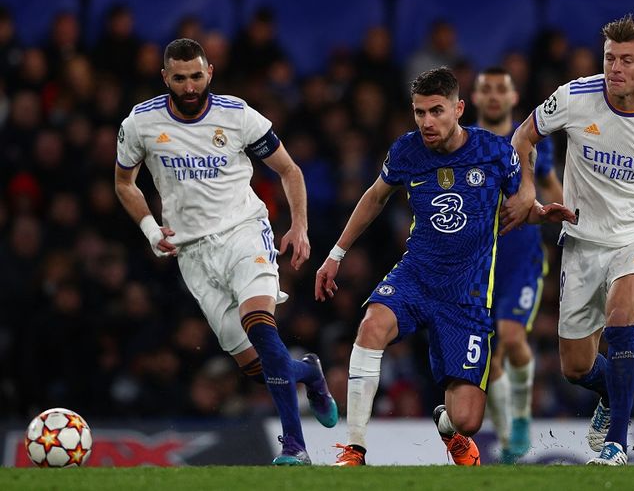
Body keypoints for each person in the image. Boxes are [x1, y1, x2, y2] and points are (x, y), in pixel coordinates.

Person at [314, 66, 574, 466]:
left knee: (468, 420)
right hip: (416, 275)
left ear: (458, 108)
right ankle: (355, 448)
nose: (426, 122)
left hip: (466, 295)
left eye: (436, 111)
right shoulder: (406, 151)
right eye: (419, 113)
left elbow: (520, 208)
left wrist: (542, 212)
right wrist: (336, 254)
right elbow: (374, 197)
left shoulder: (493, 152)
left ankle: (448, 427)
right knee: (371, 326)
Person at [114, 38, 338, 465]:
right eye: (180, 78)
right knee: (258, 370)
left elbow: (289, 169)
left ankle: (294, 447)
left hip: (244, 233)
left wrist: (300, 225)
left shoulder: (237, 115)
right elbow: (124, 182)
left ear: (209, 72)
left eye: (197, 76)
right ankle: (308, 371)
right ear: (166, 78)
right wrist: (148, 227)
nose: (190, 85)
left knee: (259, 322)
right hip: (193, 254)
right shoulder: (140, 123)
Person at [511, 15, 634, 465]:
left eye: (626, 60)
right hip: (582, 240)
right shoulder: (573, 97)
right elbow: (523, 136)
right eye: (609, 58)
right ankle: (610, 391)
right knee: (576, 367)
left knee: (621, 320)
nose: (615, 68)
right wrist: (528, 190)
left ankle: (616, 445)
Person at [471, 67, 563, 464]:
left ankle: (522, 417)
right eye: (486, 90)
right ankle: (507, 440)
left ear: (513, 98)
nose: (493, 97)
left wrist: (564, 225)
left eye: (500, 90)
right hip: (478, 261)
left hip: (523, 259)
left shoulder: (530, 141)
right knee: (489, 358)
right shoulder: (464, 144)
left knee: (510, 336)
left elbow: (553, 189)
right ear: (474, 99)